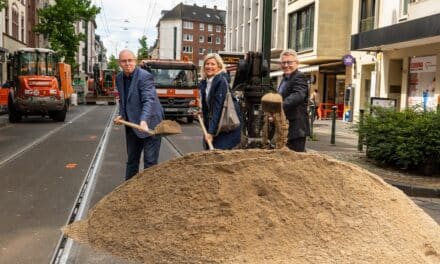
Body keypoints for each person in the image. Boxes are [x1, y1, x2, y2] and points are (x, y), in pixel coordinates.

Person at [114, 49, 164, 180]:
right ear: (119, 63)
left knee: (150, 161)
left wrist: (143, 120)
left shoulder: (144, 76)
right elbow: (123, 100)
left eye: (130, 60)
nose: (127, 64)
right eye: (124, 61)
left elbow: (149, 99)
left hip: (151, 123)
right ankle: (128, 189)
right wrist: (121, 115)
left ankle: (148, 193)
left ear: (135, 61)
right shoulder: (119, 78)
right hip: (132, 124)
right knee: (132, 160)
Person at [199, 53, 241, 149]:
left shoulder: (220, 81)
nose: (209, 66)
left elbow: (217, 108)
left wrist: (211, 132)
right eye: (207, 63)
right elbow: (208, 108)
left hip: (226, 127)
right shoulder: (205, 83)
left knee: (219, 156)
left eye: (213, 64)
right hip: (217, 126)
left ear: (219, 67)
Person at [278, 49, 310, 152]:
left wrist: (279, 106)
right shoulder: (284, 78)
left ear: (297, 63)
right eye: (284, 62)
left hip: (296, 127)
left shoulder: (299, 76)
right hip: (286, 126)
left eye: (289, 62)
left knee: (296, 160)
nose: (286, 65)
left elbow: (298, 95)